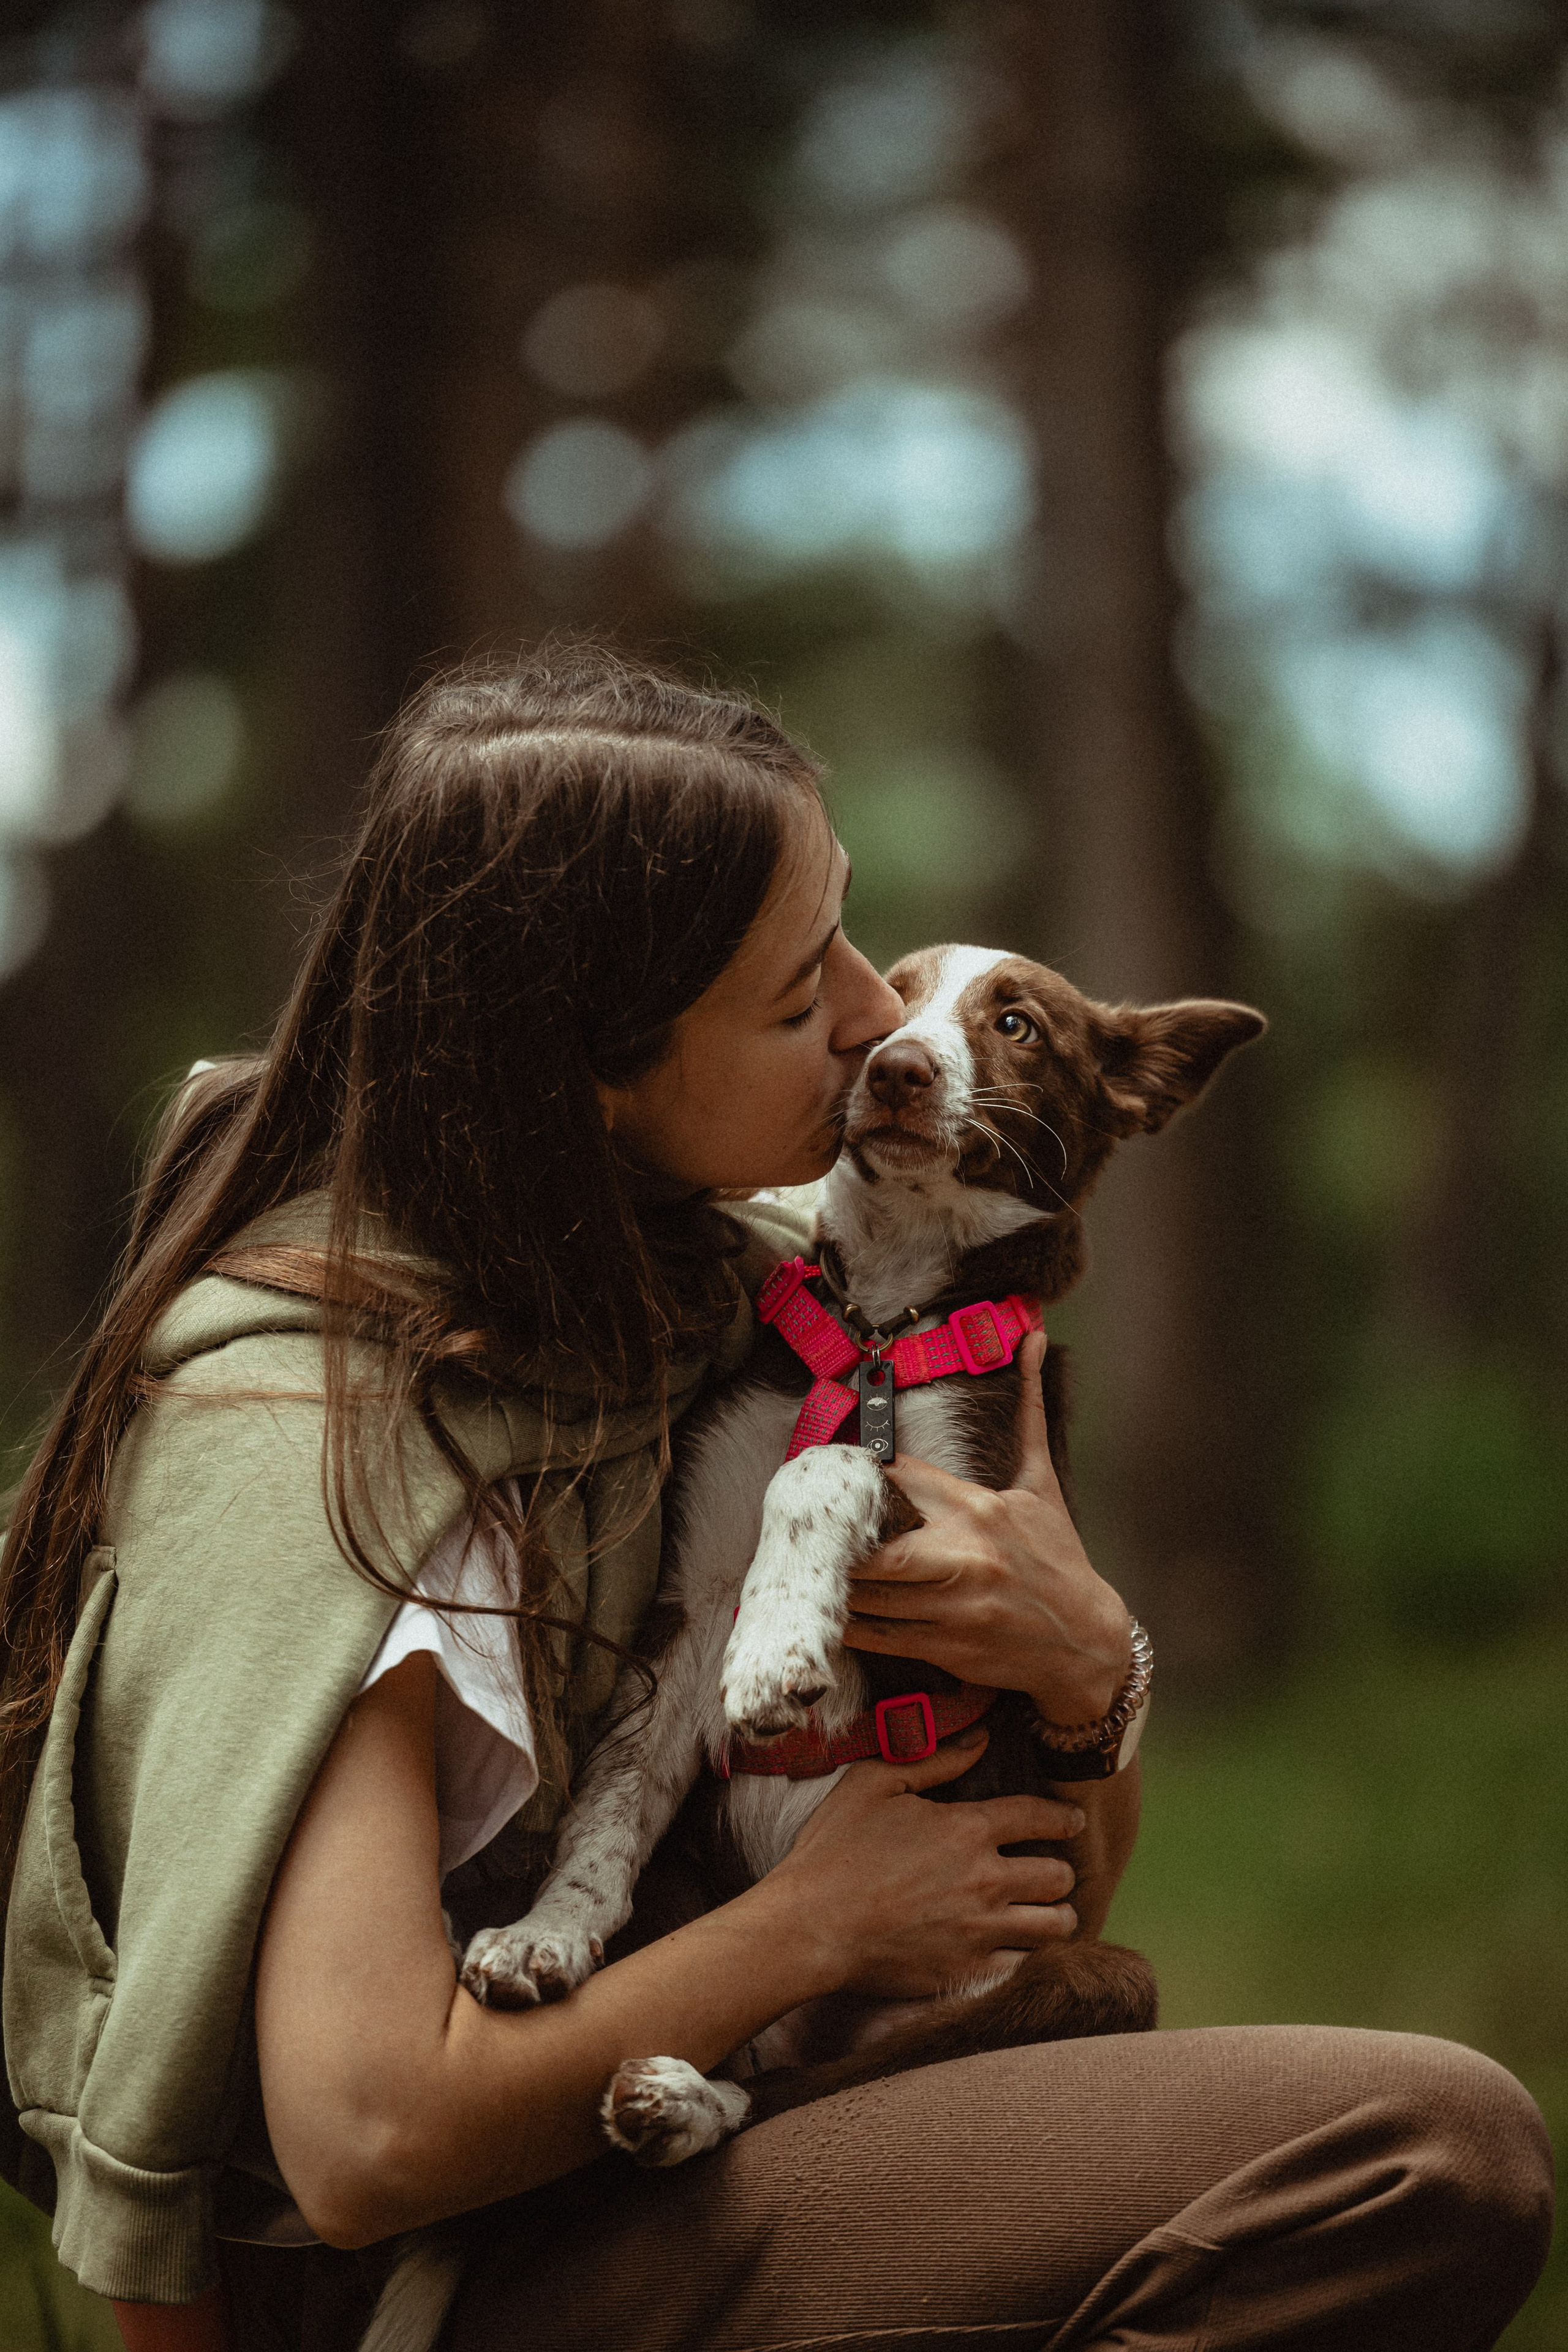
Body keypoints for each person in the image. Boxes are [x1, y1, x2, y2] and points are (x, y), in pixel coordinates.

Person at [0, 648, 1551, 2352]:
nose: (886, 1023)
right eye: (807, 994)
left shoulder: (731, 1295)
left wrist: (1089, 1664)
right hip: (455, 2272)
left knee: (1419, 2148)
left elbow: (1052, 1893)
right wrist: (819, 1925)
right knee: (1418, 2151)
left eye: (854, 942)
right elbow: (366, 2140)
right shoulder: (338, 1434)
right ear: (592, 1064)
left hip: (702, 2124)